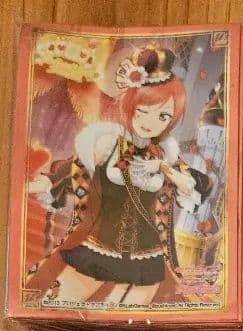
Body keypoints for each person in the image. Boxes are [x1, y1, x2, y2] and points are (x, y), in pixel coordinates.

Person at [27, 44, 211, 307]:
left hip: (146, 256)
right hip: (98, 245)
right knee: (61, 302)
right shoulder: (107, 143)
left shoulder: (165, 155)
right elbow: (76, 168)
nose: (150, 123)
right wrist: (47, 181)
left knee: (127, 316)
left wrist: (163, 168)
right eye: (142, 111)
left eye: (163, 116)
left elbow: (194, 186)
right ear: (130, 106)